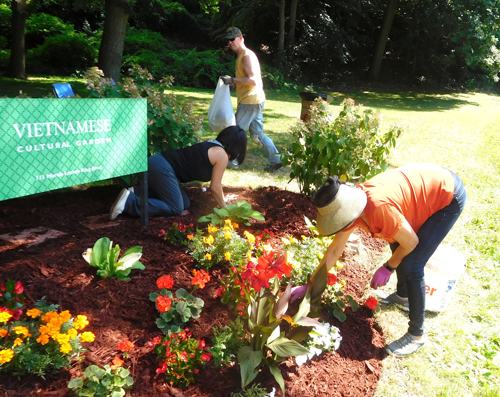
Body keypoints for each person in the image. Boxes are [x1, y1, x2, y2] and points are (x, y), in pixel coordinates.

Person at [294, 163, 466, 357]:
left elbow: (411, 242)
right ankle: (403, 296)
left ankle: (417, 335)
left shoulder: (378, 209)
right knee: (396, 243)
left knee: (412, 264)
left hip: (448, 195)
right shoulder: (350, 207)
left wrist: (388, 267)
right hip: (427, 186)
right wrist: (310, 287)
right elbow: (334, 251)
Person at [109, 125, 247, 220]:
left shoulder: (212, 145)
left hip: (158, 163)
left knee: (184, 204)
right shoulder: (222, 155)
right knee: (175, 208)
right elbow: (215, 187)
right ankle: (129, 202)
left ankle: (136, 191)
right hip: (162, 168)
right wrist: (225, 208)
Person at [220, 27, 283, 172]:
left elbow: (253, 80)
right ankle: (277, 159)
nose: (230, 42)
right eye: (228, 40)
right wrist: (233, 85)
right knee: (257, 135)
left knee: (235, 131)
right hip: (255, 100)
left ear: (241, 38)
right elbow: (246, 79)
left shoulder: (247, 56)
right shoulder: (241, 55)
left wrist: (232, 80)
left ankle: (234, 161)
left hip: (250, 101)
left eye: (232, 39)